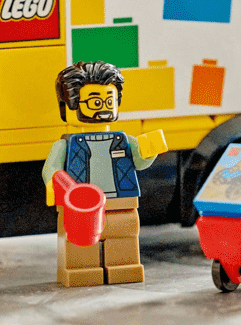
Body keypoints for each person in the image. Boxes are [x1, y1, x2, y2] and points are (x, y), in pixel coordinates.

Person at [42, 61, 166, 287]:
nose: (104, 108)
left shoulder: (124, 140)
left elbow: (139, 163)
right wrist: (53, 184)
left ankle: (123, 267)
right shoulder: (66, 145)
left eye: (110, 101)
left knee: (123, 236)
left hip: (121, 200)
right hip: (80, 208)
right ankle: (82, 270)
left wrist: (149, 152)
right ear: (66, 106)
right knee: (79, 242)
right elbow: (52, 170)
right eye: (95, 102)